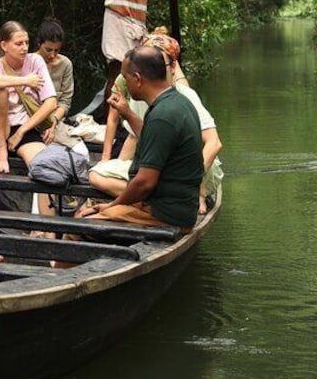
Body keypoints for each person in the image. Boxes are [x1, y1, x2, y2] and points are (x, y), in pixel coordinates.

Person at [91, 33, 223, 214]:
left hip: (184, 182)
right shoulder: (149, 99)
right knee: (101, 173)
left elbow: (213, 143)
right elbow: (142, 136)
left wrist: (192, 186)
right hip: (168, 178)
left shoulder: (182, 99)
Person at [79, 45, 203, 230]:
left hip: (164, 213)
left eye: (125, 77)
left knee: (80, 228)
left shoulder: (163, 115)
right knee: (87, 212)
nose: (124, 83)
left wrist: (114, 205)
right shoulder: (177, 102)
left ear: (137, 79)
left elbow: (145, 183)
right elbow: (154, 138)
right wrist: (127, 113)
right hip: (170, 206)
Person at [0, 20, 58, 176]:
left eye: (26, 43)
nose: (25, 48)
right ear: (4, 46)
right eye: (19, 44)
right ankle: (1, 148)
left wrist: (21, 131)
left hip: (23, 127)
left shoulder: (35, 61)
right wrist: (25, 80)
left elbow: (51, 102)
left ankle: (46, 201)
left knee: (46, 167)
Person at [32, 17, 73, 125]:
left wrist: (53, 121)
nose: (52, 55)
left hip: (55, 118)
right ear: (39, 44)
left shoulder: (65, 64)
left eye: (56, 50)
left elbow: (65, 101)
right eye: (48, 50)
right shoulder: (29, 62)